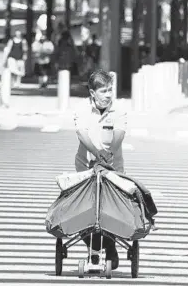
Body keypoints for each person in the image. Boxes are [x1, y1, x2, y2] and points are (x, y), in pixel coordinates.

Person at [73, 69, 127, 270]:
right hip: (85, 167)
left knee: (110, 210)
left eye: (110, 90)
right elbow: (82, 134)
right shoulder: (81, 109)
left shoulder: (119, 109)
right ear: (92, 92)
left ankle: (110, 246)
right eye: (103, 91)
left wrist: (109, 155)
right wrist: (96, 153)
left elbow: (120, 133)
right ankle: (94, 246)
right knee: (83, 211)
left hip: (113, 169)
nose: (108, 94)